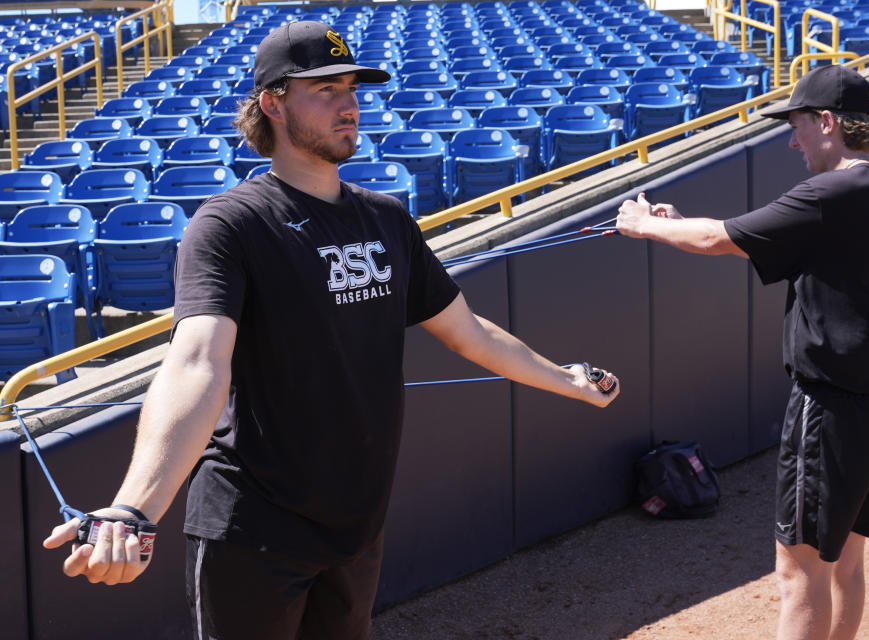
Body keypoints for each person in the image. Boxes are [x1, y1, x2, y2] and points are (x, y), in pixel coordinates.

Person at [42, 21, 619, 640]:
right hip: (252, 528)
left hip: (355, 526)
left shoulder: (386, 218)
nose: (349, 103)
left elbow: (468, 331)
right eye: (325, 89)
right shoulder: (230, 225)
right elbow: (196, 364)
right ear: (274, 102)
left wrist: (567, 379)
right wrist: (136, 509)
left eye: (352, 87)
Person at [615, 65, 869, 640]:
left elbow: (716, 239)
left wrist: (644, 226)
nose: (792, 139)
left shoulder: (831, 193)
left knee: (798, 573)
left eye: (799, 125)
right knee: (844, 564)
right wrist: (679, 224)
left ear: (828, 122)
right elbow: (738, 235)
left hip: (833, 406)